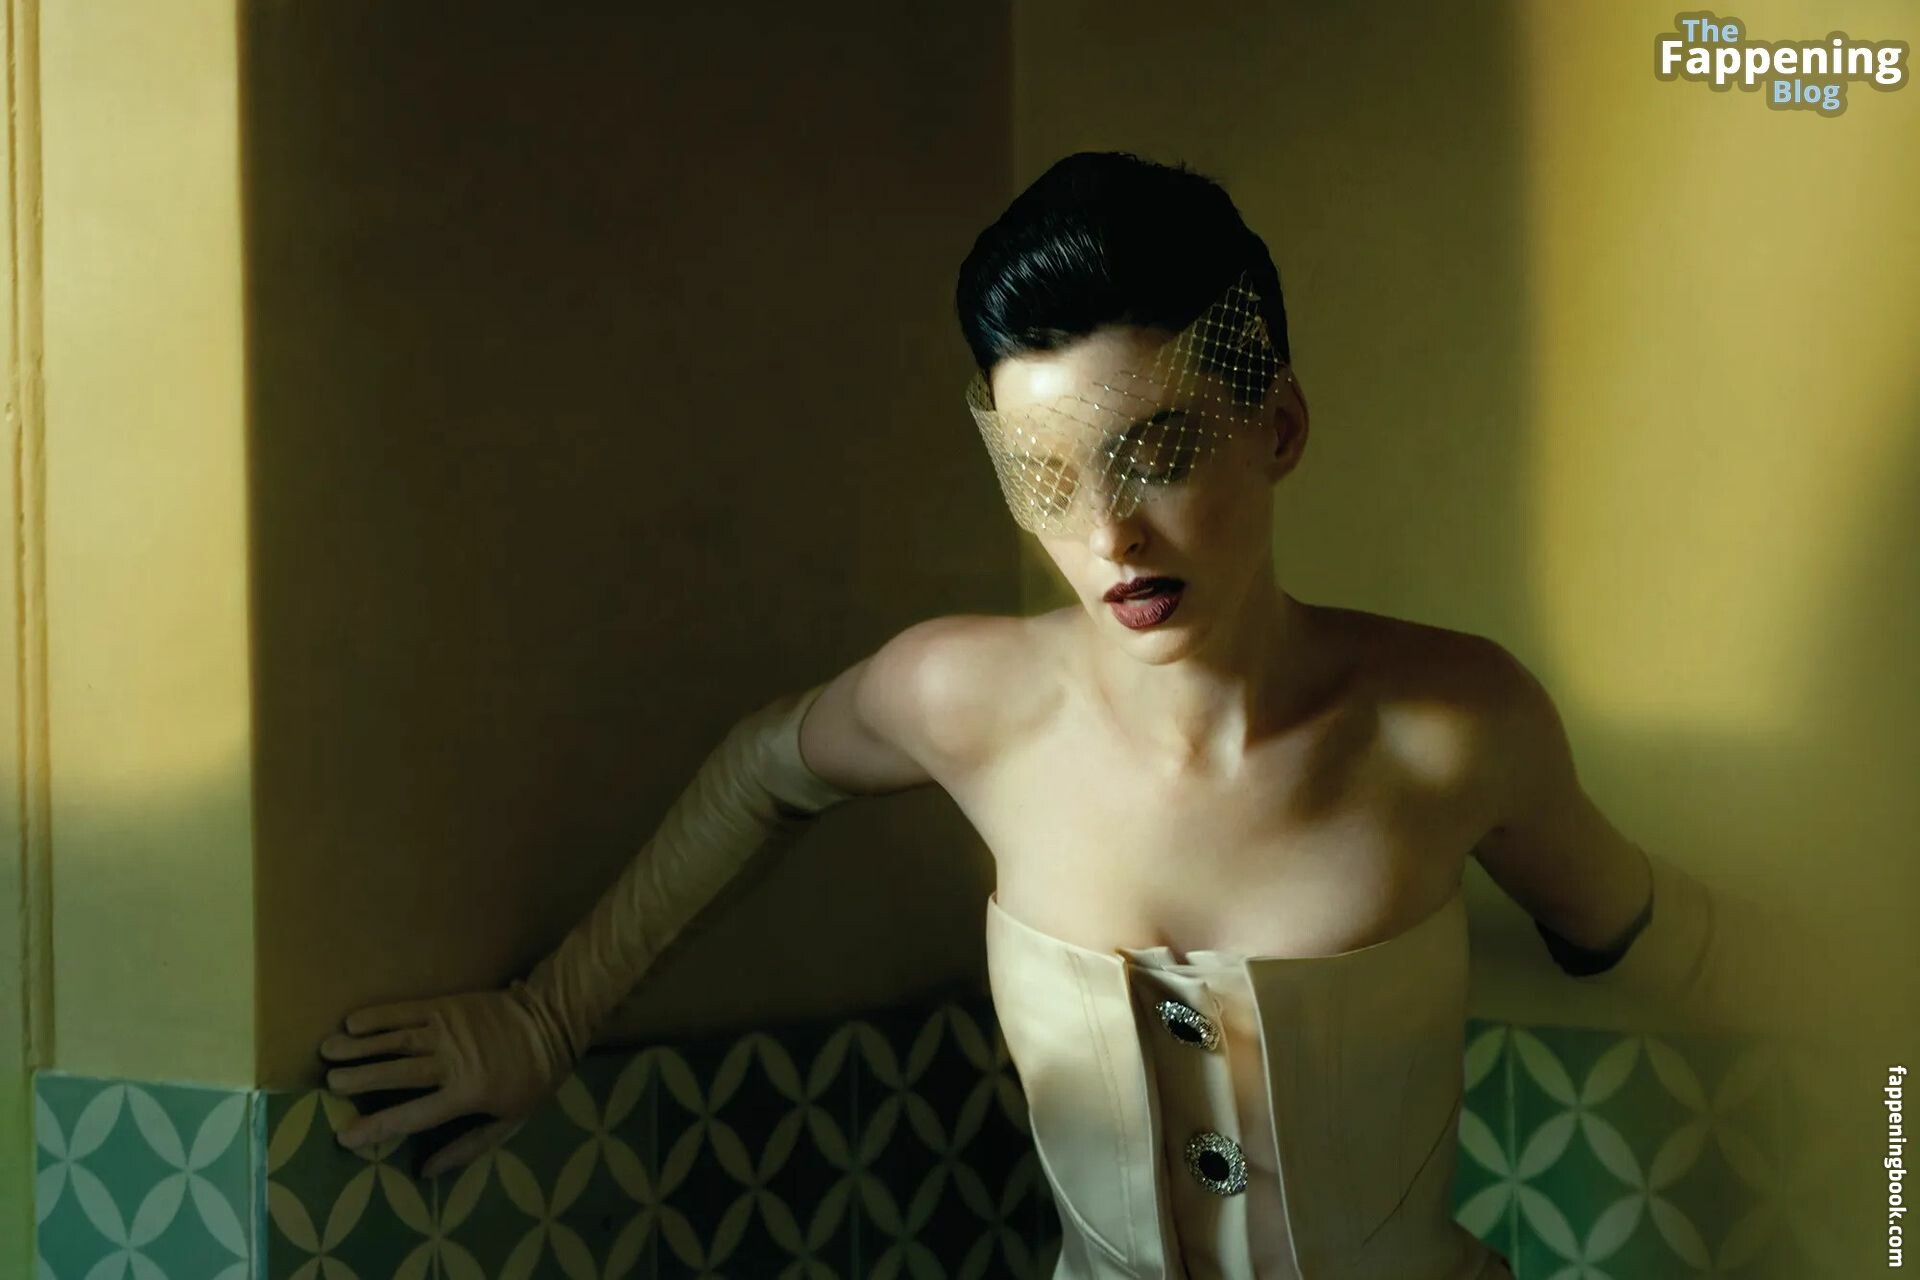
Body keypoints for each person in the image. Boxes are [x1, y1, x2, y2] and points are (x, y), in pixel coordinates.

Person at [319, 151, 1747, 1278]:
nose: (1111, 534)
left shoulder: (1456, 722)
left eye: (1159, 452)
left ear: (1279, 428)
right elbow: (762, 768)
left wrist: (1845, 1023)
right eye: (1050, 477)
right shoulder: (966, 699)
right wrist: (547, 1021)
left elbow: (1642, 933)